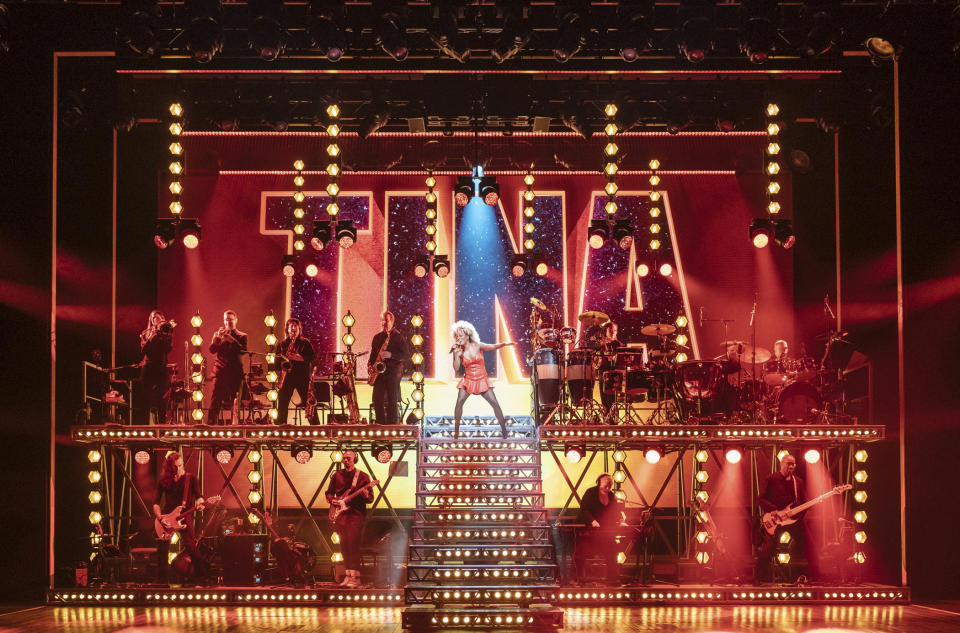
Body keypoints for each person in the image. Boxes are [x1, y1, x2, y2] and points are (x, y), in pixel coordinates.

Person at [450, 320, 515, 439]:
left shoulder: (477, 345)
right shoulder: (459, 351)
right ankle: (456, 432)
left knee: (495, 403)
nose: (458, 338)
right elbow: (456, 368)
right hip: (468, 380)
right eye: (457, 336)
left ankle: (504, 431)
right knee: (459, 403)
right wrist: (455, 355)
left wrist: (505, 344)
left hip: (481, 380)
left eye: (460, 335)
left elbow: (493, 346)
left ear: (467, 335)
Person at [153, 451, 206, 585]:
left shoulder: (191, 478)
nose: (179, 469)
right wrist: (160, 518)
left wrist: (200, 503)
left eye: (181, 465)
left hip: (185, 515)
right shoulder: (163, 481)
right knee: (162, 549)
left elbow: (199, 495)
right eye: (176, 467)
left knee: (191, 546)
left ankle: (200, 578)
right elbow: (155, 503)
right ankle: (161, 580)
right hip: (166, 517)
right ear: (170, 468)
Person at [756, 452, 808, 582]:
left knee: (808, 543)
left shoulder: (798, 482)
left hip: (793, 521)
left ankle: (807, 576)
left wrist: (798, 516)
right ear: (781, 463)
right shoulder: (771, 479)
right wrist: (773, 510)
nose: (790, 467)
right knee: (767, 548)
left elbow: (805, 503)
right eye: (788, 464)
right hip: (775, 520)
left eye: (793, 465)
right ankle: (760, 578)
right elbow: (761, 499)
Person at [325, 450, 373, 588]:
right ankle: (348, 576)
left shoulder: (363, 476)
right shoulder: (337, 475)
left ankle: (356, 578)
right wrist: (332, 500)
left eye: (348, 458)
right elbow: (329, 492)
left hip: (355, 515)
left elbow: (370, 498)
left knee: (353, 545)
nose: (345, 460)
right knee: (344, 546)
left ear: (355, 459)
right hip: (341, 516)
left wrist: (364, 494)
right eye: (344, 458)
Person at [573, 473, 626, 585]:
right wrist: (592, 520)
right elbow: (584, 510)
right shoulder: (590, 492)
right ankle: (579, 578)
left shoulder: (611, 495)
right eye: (606, 483)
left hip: (603, 529)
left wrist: (621, 520)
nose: (608, 486)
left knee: (611, 552)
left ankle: (612, 579)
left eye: (610, 484)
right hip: (587, 528)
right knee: (581, 553)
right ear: (599, 482)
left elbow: (615, 510)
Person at [206, 310, 248, 424]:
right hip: (220, 372)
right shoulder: (218, 334)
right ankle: (210, 428)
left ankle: (234, 428)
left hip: (235, 373)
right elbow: (212, 350)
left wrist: (231, 340)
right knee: (215, 401)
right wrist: (216, 340)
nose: (227, 322)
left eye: (230, 319)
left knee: (235, 403)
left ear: (235, 320)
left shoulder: (242, 336)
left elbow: (243, 350)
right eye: (225, 319)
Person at [368, 311, 408, 425]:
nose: (385, 323)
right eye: (383, 320)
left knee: (392, 401)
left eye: (387, 320)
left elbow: (405, 355)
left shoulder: (398, 337)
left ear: (392, 321)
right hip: (379, 373)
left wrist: (392, 355)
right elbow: (373, 355)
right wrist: (370, 365)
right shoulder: (377, 338)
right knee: (377, 399)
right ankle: (380, 424)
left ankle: (392, 426)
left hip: (392, 372)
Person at [276, 318, 316, 425]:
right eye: (291, 326)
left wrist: (300, 358)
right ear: (287, 329)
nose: (293, 328)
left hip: (302, 377)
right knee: (282, 404)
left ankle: (316, 427)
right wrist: (280, 376)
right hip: (287, 377)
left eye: (295, 326)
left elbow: (312, 357)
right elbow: (276, 362)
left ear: (299, 329)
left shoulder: (305, 343)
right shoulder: (282, 344)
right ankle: (281, 427)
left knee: (309, 402)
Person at [139, 310, 175, 425]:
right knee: (146, 399)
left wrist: (168, 334)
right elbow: (144, 350)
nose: (157, 319)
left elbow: (168, 349)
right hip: (148, 368)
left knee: (162, 401)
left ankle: (162, 428)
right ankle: (144, 428)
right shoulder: (146, 334)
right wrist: (152, 336)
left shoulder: (166, 332)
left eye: (159, 318)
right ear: (151, 320)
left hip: (161, 368)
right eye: (154, 318)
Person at [597, 321, 622, 417]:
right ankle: (605, 419)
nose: (613, 332)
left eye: (615, 330)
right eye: (610, 330)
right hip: (602, 373)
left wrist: (607, 344)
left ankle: (613, 420)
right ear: (606, 331)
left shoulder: (616, 343)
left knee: (612, 399)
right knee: (603, 399)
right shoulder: (600, 344)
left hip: (613, 374)